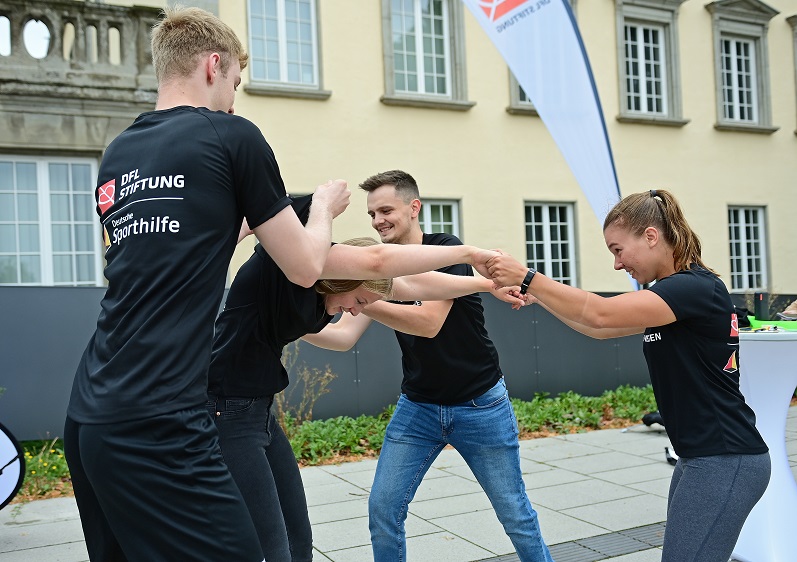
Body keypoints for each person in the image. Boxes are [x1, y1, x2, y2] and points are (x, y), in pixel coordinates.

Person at [63, 6, 355, 560]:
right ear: (212, 65)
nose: (234, 99)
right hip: (161, 415)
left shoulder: (119, 152)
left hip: (90, 415)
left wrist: (238, 225)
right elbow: (305, 268)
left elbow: (171, 250)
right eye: (235, 84)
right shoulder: (233, 136)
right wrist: (321, 209)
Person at [208, 195, 523, 562]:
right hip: (226, 410)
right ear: (344, 278)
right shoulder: (290, 271)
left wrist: (485, 286)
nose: (358, 310)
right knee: (273, 549)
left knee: (299, 542)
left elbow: (414, 287)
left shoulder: (328, 297)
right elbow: (292, 213)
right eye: (358, 299)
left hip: (259, 411)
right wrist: (323, 202)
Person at [487, 189, 771, 562]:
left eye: (618, 250)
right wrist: (542, 298)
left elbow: (600, 314)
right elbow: (600, 329)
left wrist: (528, 278)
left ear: (651, 236)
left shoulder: (694, 287)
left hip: (725, 458)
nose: (618, 265)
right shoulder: (672, 294)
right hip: (701, 457)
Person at [302, 170, 554, 562]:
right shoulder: (379, 270)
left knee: (514, 514)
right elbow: (342, 336)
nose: (377, 220)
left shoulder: (443, 248)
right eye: (371, 214)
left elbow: (428, 322)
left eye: (385, 209)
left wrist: (364, 293)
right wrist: (291, 327)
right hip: (418, 407)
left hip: (479, 405)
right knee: (383, 510)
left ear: (413, 207)